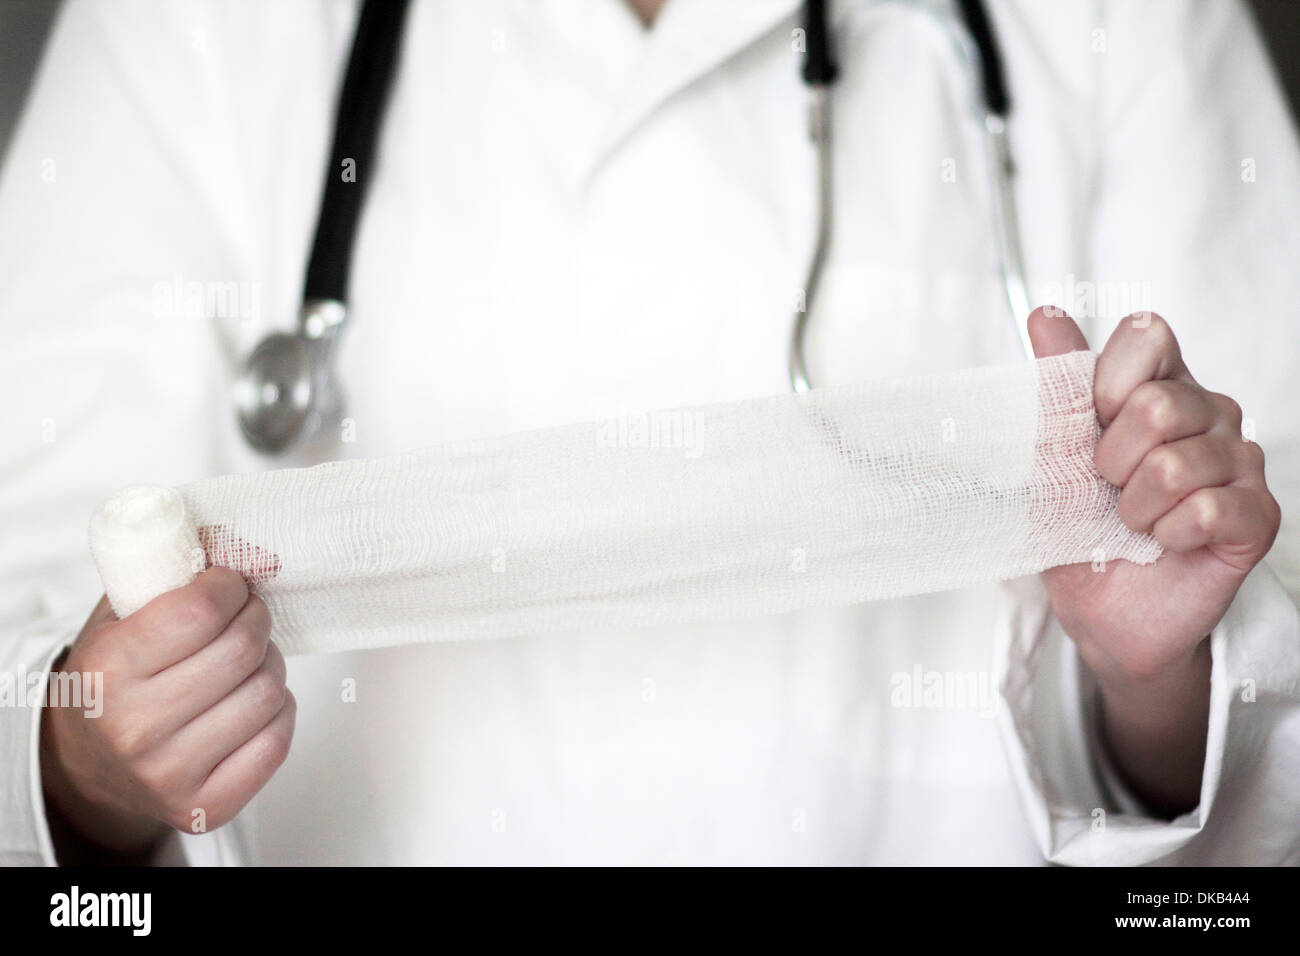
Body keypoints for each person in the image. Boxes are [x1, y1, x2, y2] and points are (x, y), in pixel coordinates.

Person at [1, 0, 1296, 866]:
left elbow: (1268, 701)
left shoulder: (1127, 23)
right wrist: (92, 773)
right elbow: (29, 635)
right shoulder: (192, 28)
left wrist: (1158, 685)